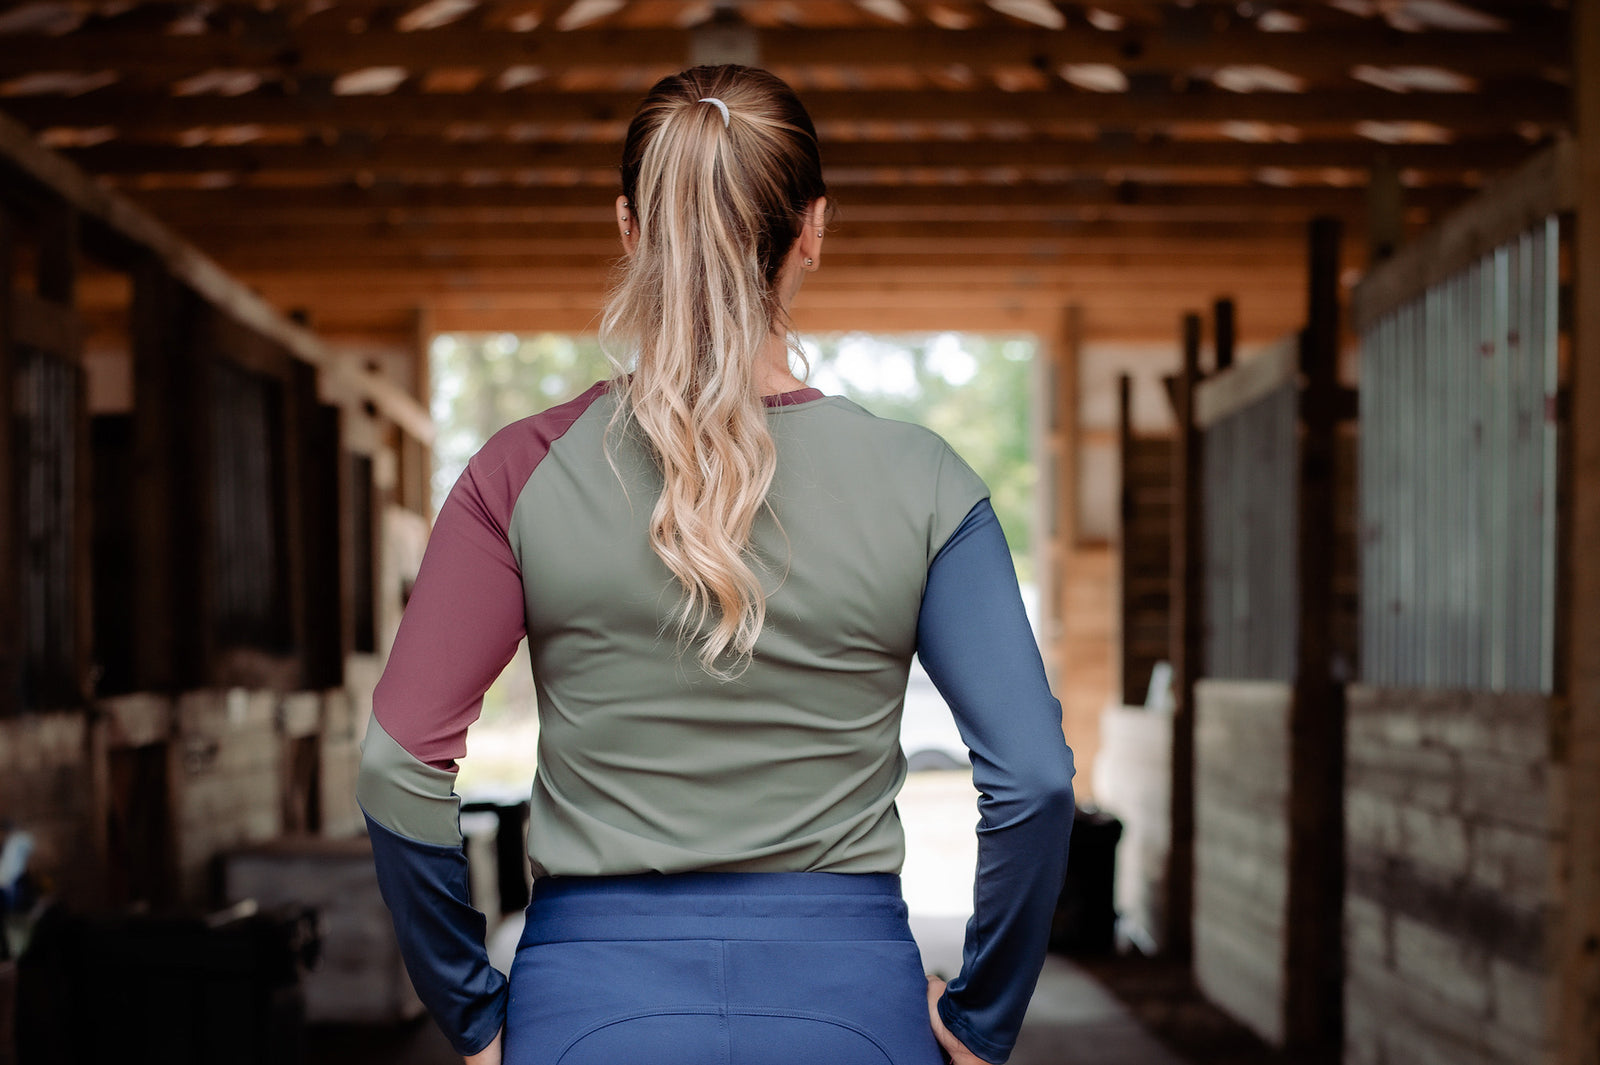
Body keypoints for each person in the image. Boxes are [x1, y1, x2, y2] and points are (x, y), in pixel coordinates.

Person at [354, 64, 1075, 1065]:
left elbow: (398, 761)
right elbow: (1033, 780)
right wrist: (978, 1018)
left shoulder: (520, 474)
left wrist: (472, 1013)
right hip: (851, 1011)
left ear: (629, 228)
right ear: (812, 229)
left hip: (587, 1010)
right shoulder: (926, 483)